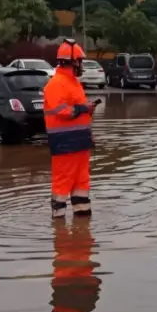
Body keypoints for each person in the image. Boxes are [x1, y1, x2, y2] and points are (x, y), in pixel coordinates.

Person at [43, 39, 100, 219]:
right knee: (62, 183)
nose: (82, 65)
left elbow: (77, 111)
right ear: (72, 61)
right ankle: (59, 224)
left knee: (81, 182)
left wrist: (87, 109)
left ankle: (82, 222)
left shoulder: (73, 83)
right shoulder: (56, 84)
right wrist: (84, 109)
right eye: (80, 61)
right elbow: (62, 111)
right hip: (65, 143)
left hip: (80, 143)